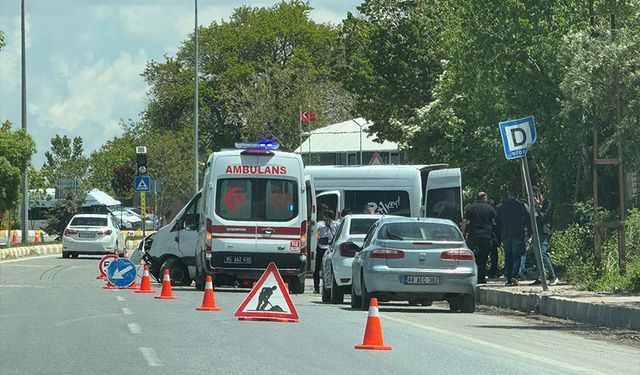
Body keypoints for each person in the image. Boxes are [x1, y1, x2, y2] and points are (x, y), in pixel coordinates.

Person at [496, 186, 529, 286]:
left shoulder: (502, 206)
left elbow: (497, 221)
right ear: (516, 194)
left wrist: (499, 235)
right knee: (516, 256)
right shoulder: (521, 205)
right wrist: (529, 232)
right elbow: (528, 218)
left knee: (508, 256)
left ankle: (509, 278)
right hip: (517, 233)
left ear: (508, 194)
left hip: (506, 234)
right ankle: (514, 276)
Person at [461, 192, 496, 284]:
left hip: (474, 237)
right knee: (483, 259)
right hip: (486, 237)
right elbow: (494, 222)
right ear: (484, 198)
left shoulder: (471, 208)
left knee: (474, 258)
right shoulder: (490, 208)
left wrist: (463, 234)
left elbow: (464, 221)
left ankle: (473, 277)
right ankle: (481, 278)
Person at [530, 186, 559, 286]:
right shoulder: (532, 205)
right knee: (536, 254)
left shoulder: (547, 203)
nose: (535, 198)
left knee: (542, 254)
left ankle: (553, 276)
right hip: (536, 231)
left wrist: (537, 207)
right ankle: (539, 277)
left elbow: (544, 218)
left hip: (544, 231)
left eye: (536, 195)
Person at [313, 209, 337, 293]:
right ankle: (318, 288)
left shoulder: (334, 224)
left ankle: (323, 287)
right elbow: (315, 232)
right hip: (325, 248)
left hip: (327, 248)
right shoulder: (322, 224)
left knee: (324, 268)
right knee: (321, 268)